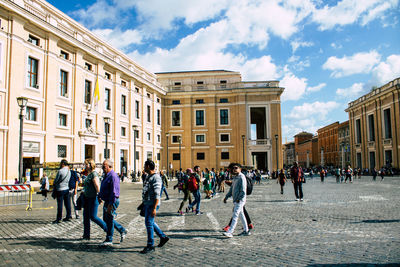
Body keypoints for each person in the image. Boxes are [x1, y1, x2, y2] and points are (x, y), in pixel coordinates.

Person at [140, 160, 169, 254]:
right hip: (147, 203)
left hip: (152, 204)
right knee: (150, 222)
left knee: (148, 223)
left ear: (148, 166)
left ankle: (150, 245)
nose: (144, 167)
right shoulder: (149, 176)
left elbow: (157, 194)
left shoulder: (156, 178)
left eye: (145, 166)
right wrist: (143, 203)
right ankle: (163, 237)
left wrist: (154, 208)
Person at [98, 159, 127, 246]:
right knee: (106, 219)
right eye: (103, 166)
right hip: (107, 200)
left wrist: (111, 204)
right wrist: (100, 196)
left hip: (111, 201)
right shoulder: (106, 175)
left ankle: (109, 238)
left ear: (109, 166)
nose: (103, 168)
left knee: (109, 219)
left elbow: (114, 192)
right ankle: (122, 230)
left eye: (104, 166)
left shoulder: (113, 176)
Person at [82, 159, 107, 240]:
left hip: (93, 198)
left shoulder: (94, 174)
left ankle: (107, 229)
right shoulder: (89, 174)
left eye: (86, 164)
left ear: (90, 165)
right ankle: (86, 235)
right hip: (87, 198)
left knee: (93, 217)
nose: (85, 166)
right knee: (86, 216)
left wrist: (100, 196)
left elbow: (97, 186)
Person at [223, 163, 249, 238]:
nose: (234, 169)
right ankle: (246, 230)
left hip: (239, 200)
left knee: (235, 215)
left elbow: (243, 190)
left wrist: (239, 199)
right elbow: (232, 189)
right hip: (236, 199)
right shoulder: (235, 178)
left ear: (240, 169)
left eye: (236, 168)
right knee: (241, 215)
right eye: (233, 168)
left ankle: (230, 232)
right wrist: (226, 197)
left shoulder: (242, 177)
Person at [53, 159, 71, 224]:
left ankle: (59, 218)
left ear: (63, 164)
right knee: (67, 203)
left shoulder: (60, 171)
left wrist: (54, 183)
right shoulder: (69, 171)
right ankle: (68, 215)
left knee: (60, 204)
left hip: (60, 189)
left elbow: (57, 180)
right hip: (67, 188)